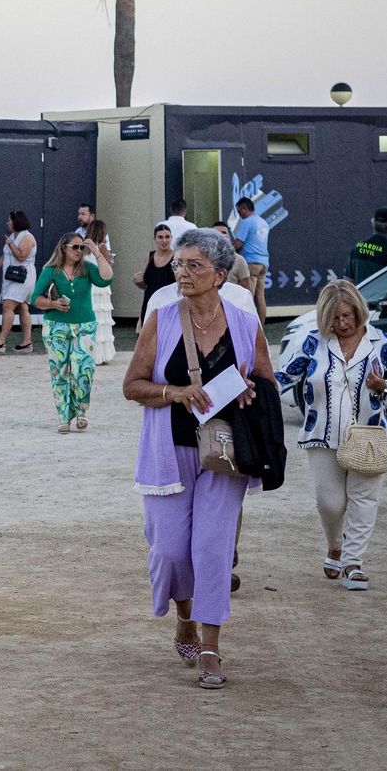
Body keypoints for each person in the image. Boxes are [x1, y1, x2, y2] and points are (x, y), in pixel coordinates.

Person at [122, 228, 272, 690]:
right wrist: (175, 392)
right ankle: (184, 616)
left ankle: (211, 648)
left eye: (193, 265)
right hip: (168, 452)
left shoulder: (245, 323)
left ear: (220, 275)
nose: (181, 273)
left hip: (225, 454)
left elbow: (267, 383)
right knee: (170, 551)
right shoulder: (161, 318)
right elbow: (132, 385)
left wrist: (251, 391)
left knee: (212, 548)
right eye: (178, 265)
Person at [275, 280, 387, 592]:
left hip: (370, 433)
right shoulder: (313, 341)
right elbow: (285, 377)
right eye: (334, 318)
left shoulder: (380, 341)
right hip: (321, 433)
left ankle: (353, 563)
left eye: (347, 316)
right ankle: (335, 545)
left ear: (359, 311)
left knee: (364, 498)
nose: (342, 324)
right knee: (330, 503)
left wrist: (382, 386)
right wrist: (253, 384)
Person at [32, 231, 113, 433]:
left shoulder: (88, 268)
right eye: (75, 247)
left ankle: (81, 410)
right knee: (59, 371)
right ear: (63, 248)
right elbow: (36, 299)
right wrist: (53, 303)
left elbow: (106, 279)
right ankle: (64, 415)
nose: (79, 251)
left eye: (81, 247)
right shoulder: (50, 270)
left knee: (84, 369)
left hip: (84, 325)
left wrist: (96, 252)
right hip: (56, 326)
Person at [0, 210, 37, 353]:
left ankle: (1, 341)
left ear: (16, 221)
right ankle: (27, 343)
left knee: (8, 306)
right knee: (22, 307)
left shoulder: (27, 237)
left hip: (23, 277)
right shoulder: (13, 236)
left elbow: (21, 256)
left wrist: (10, 243)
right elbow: (5, 255)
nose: (7, 223)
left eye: (9, 220)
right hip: (12, 277)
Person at [232, 197, 270, 324]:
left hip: (251, 262)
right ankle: (261, 327)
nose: (239, 215)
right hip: (264, 263)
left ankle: (248, 327)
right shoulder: (263, 222)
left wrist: (228, 250)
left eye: (239, 211)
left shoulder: (246, 222)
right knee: (260, 297)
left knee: (248, 296)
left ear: (245, 209)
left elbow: (238, 244)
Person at [85, 218, 117, 365]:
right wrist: (111, 260)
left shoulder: (85, 247)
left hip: (89, 285)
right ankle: (100, 354)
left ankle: (88, 351)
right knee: (101, 320)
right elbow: (107, 268)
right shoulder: (102, 247)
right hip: (101, 286)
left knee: (91, 318)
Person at [346, 207, 387, 284]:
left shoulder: (358, 247)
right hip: (383, 292)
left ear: (373, 223)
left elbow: (349, 282)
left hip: (358, 292)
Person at [134, 223, 177, 323]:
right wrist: (137, 281)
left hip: (169, 304)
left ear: (171, 238)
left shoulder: (176, 257)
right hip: (151, 303)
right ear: (155, 239)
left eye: (167, 237)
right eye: (160, 237)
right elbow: (145, 284)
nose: (164, 241)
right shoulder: (149, 257)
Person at [213, 223, 253, 289]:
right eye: (216, 232)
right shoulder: (204, 259)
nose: (221, 235)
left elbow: (247, 289)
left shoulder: (239, 260)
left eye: (224, 233)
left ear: (229, 237)